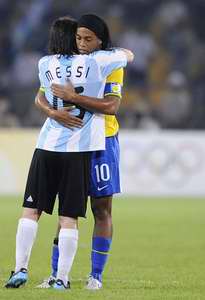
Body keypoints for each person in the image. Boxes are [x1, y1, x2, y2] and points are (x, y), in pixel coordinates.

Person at [5, 16, 133, 290]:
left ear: (100, 39)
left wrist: (73, 98)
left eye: (88, 39)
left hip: (103, 140)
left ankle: (95, 275)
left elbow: (111, 106)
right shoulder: (71, 62)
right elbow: (41, 94)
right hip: (75, 144)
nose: (82, 44)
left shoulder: (109, 62)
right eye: (78, 38)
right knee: (68, 208)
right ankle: (56, 274)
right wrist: (52, 111)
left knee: (100, 208)